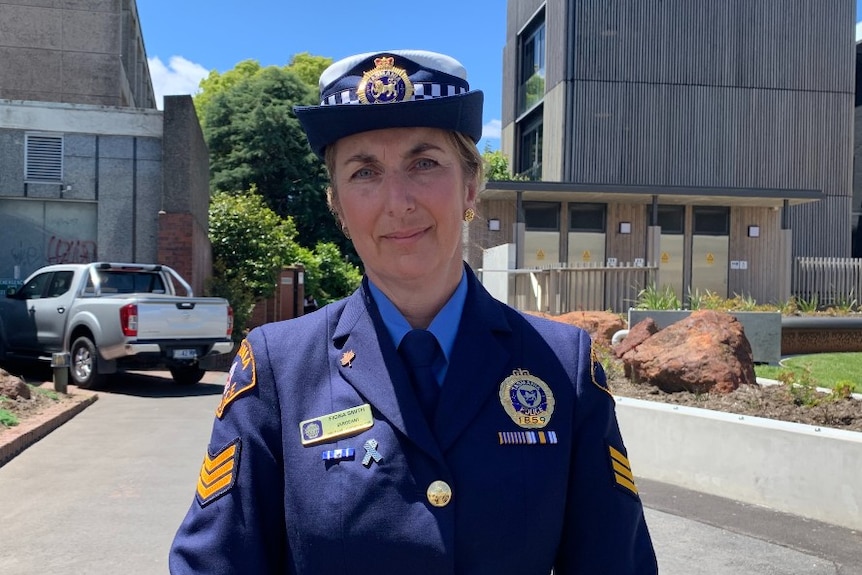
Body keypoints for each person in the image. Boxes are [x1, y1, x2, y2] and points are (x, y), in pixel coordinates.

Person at [169, 49, 658, 574]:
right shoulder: (277, 369)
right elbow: (214, 564)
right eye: (364, 173)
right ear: (337, 203)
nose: (397, 201)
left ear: (471, 185)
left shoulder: (563, 366)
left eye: (424, 163)